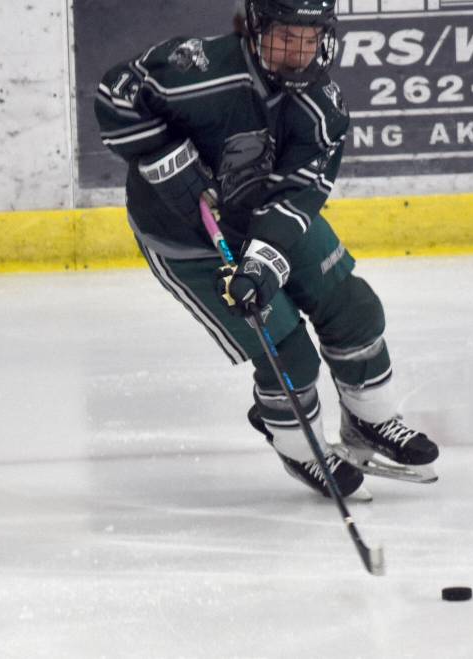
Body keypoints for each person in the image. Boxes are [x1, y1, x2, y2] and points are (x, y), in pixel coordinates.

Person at [94, 0, 439, 499]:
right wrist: (163, 155)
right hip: (186, 240)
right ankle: (301, 450)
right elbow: (117, 92)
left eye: (311, 37)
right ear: (255, 29)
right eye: (286, 36)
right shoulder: (198, 69)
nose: (299, 51)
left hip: (264, 215)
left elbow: (299, 196)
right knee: (286, 352)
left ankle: (371, 421)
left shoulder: (324, 107)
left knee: (353, 308)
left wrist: (261, 261)